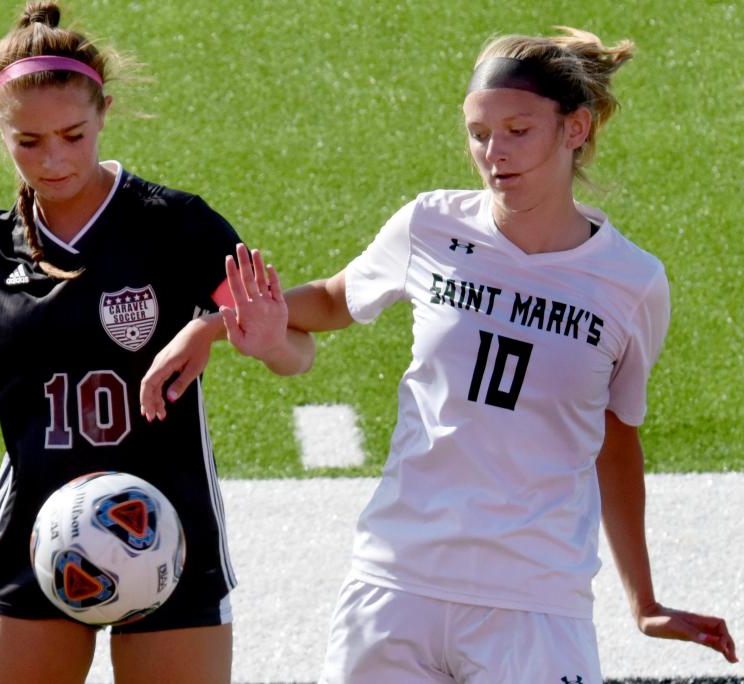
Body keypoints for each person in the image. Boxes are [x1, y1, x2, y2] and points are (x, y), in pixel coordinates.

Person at [141, 26, 738, 681]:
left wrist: (642, 599)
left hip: (534, 604)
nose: (493, 154)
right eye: (479, 133)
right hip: (397, 584)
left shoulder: (632, 283)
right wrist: (215, 327)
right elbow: (335, 301)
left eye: (518, 131)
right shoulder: (430, 226)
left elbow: (616, 438)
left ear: (575, 129)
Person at [0, 3, 309, 682]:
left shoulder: (176, 225)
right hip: (40, 540)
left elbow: (296, 352)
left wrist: (251, 337)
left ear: (103, 113)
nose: (53, 160)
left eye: (73, 135)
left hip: (168, 536)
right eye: (29, 142)